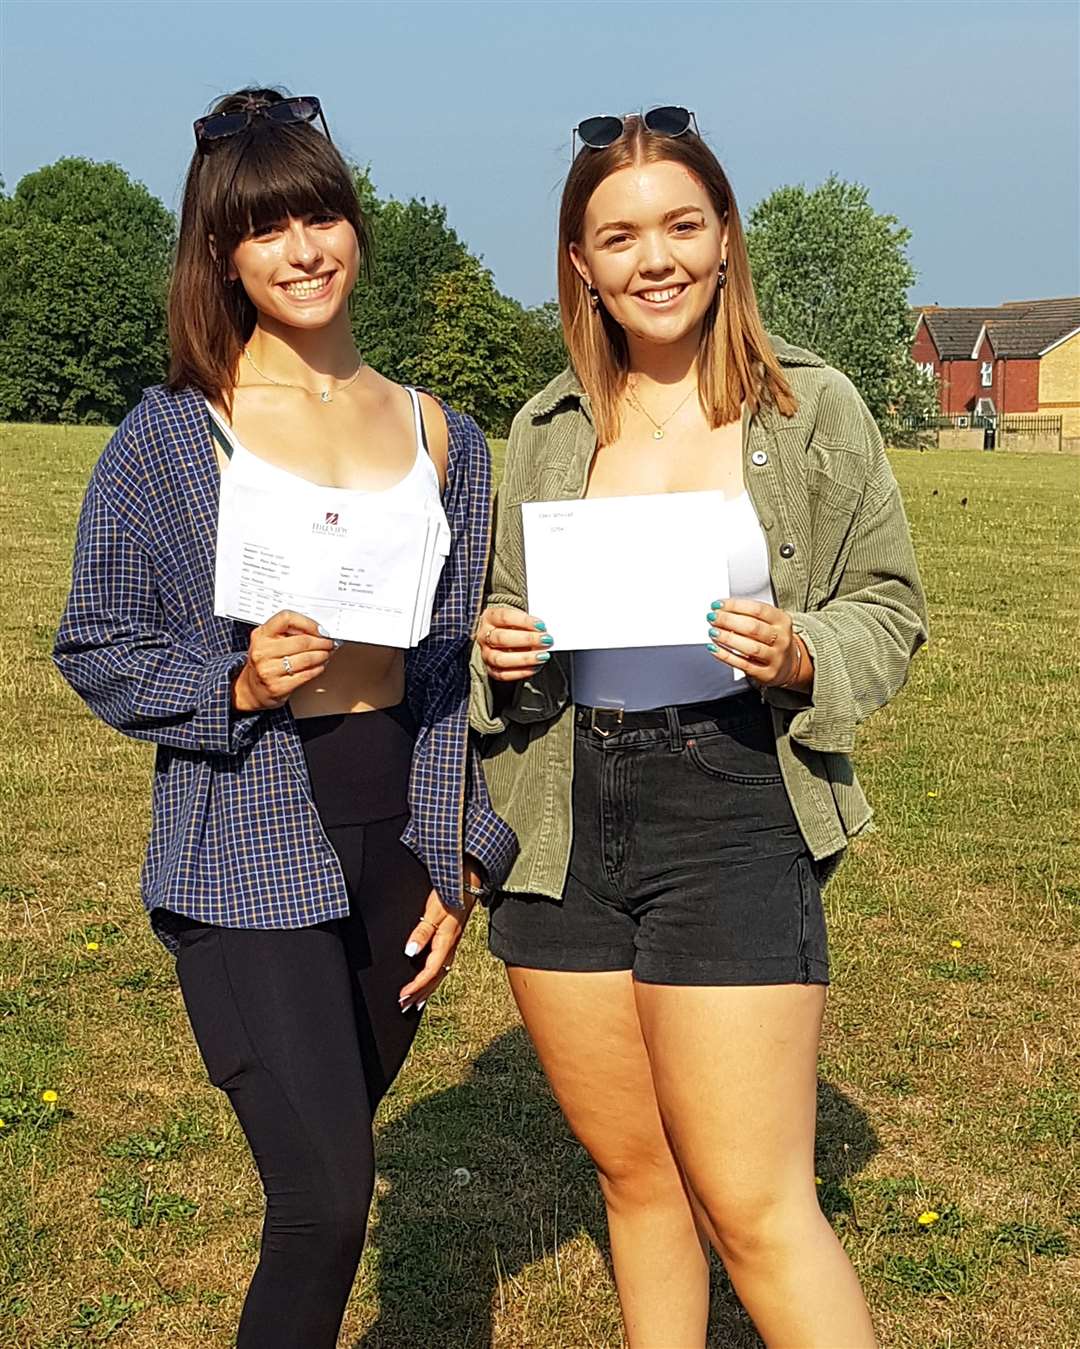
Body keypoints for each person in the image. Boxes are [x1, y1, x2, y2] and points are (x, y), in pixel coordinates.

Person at [54, 88, 515, 1349]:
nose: (303, 248)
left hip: (394, 839)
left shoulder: (442, 435)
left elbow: (452, 664)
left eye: (321, 213)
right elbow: (93, 641)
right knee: (325, 1197)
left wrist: (456, 852)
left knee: (334, 1169)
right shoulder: (169, 437)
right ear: (222, 253)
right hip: (245, 838)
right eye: (267, 228)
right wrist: (236, 684)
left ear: (354, 227)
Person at [472, 108, 927, 1348]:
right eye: (618, 235)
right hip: (566, 822)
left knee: (756, 1203)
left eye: (681, 224)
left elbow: (889, 606)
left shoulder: (811, 410)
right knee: (638, 1180)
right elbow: (512, 619)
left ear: (726, 238)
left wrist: (802, 650)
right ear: (581, 263)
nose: (653, 257)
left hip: (733, 806)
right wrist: (502, 652)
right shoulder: (544, 430)